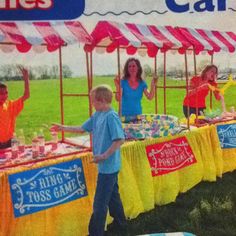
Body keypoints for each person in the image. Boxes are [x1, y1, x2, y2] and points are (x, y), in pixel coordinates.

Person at [50, 85, 127, 236]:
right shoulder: (97, 115)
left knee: (99, 204)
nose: (91, 103)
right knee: (112, 196)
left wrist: (104, 155)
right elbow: (82, 128)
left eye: (93, 101)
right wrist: (62, 128)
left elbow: (119, 140)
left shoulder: (111, 117)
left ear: (102, 100)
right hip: (105, 166)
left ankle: (95, 233)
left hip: (109, 167)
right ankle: (121, 224)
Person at [0, 66, 30, 149]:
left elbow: (26, 96)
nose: (4, 95)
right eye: (1, 93)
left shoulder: (10, 105)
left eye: (6, 93)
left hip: (10, 142)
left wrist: (26, 79)